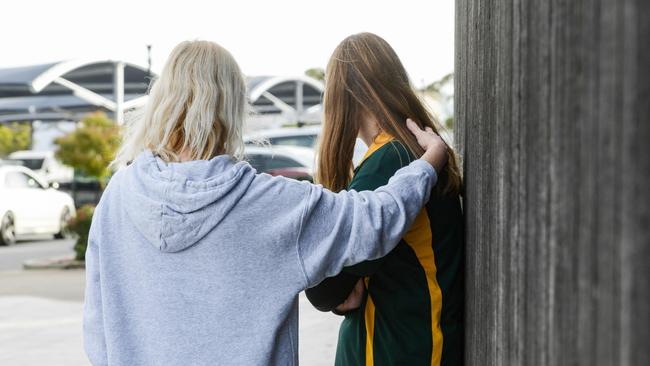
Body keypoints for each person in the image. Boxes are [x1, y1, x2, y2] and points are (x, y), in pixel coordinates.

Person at [83, 40, 449, 365]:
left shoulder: (116, 199)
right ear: (231, 109)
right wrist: (427, 165)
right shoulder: (267, 202)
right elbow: (373, 221)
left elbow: (98, 330)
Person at [305, 33, 464, 365]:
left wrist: (335, 288)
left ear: (342, 94)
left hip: (398, 351)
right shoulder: (409, 152)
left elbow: (324, 288)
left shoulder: (391, 159)